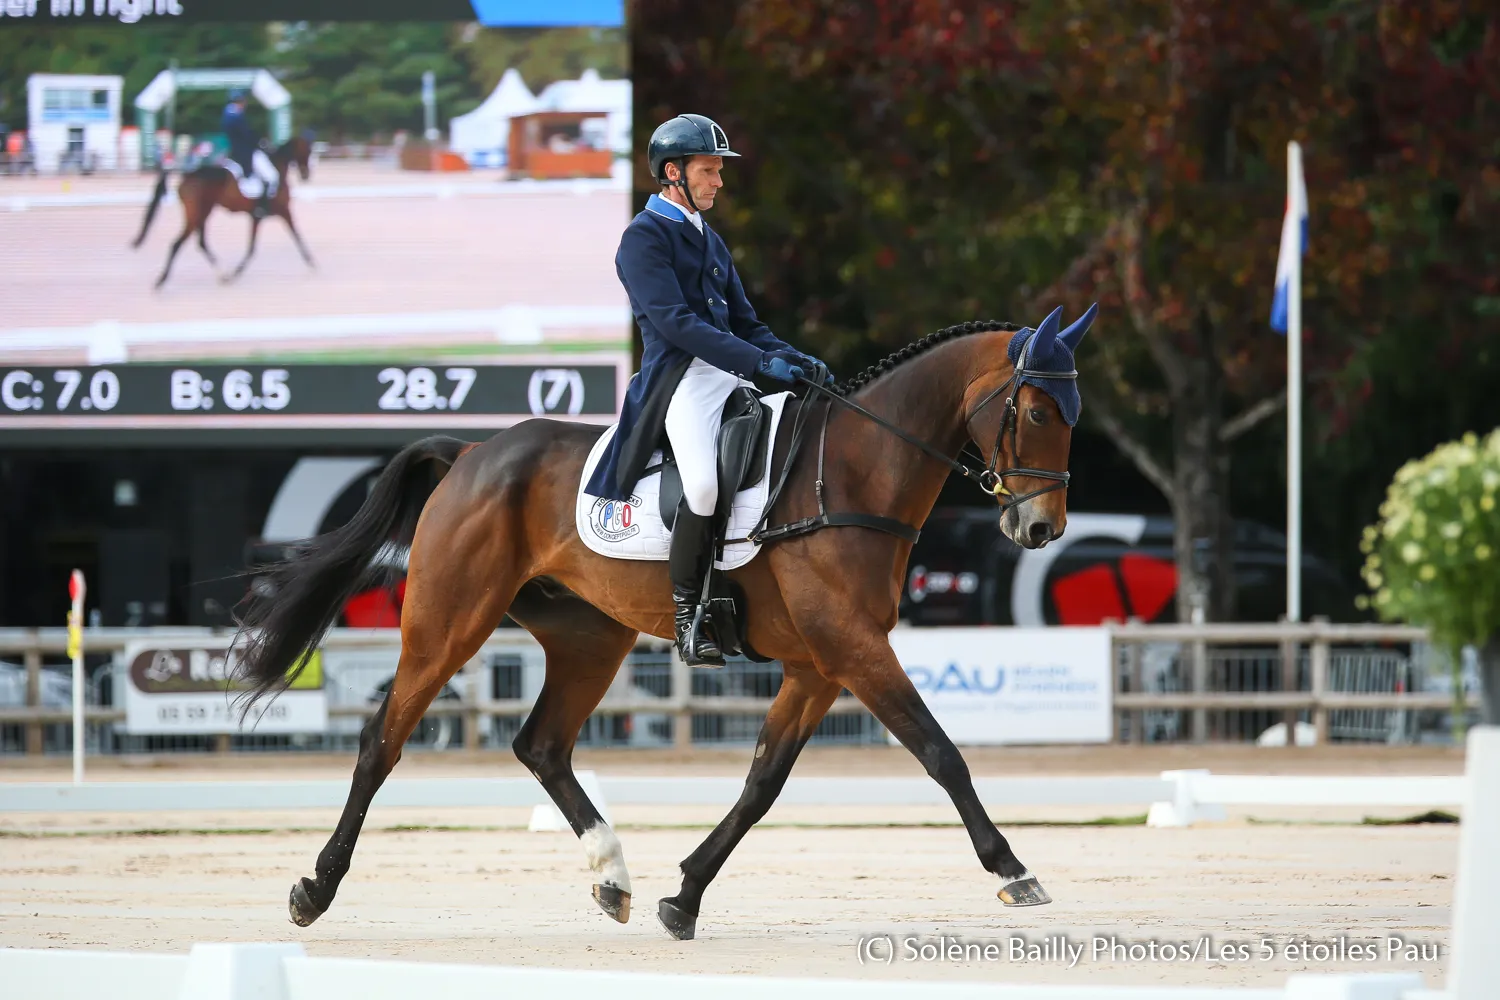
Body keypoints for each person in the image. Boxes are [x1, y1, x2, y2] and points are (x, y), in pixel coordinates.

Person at [584, 113, 833, 667]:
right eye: (709, 171)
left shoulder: (710, 240)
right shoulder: (642, 239)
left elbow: (746, 322)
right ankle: (688, 615)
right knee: (700, 487)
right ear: (673, 172)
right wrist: (760, 362)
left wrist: (795, 358)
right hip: (681, 381)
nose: (718, 181)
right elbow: (678, 325)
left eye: (719, 171)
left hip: (730, 374)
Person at [221, 89, 276, 220]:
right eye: (243, 101)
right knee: (271, 176)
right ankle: (261, 206)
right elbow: (247, 135)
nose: (245, 103)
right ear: (240, 101)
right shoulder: (236, 115)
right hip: (245, 152)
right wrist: (261, 143)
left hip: (233, 151)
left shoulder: (227, 114)